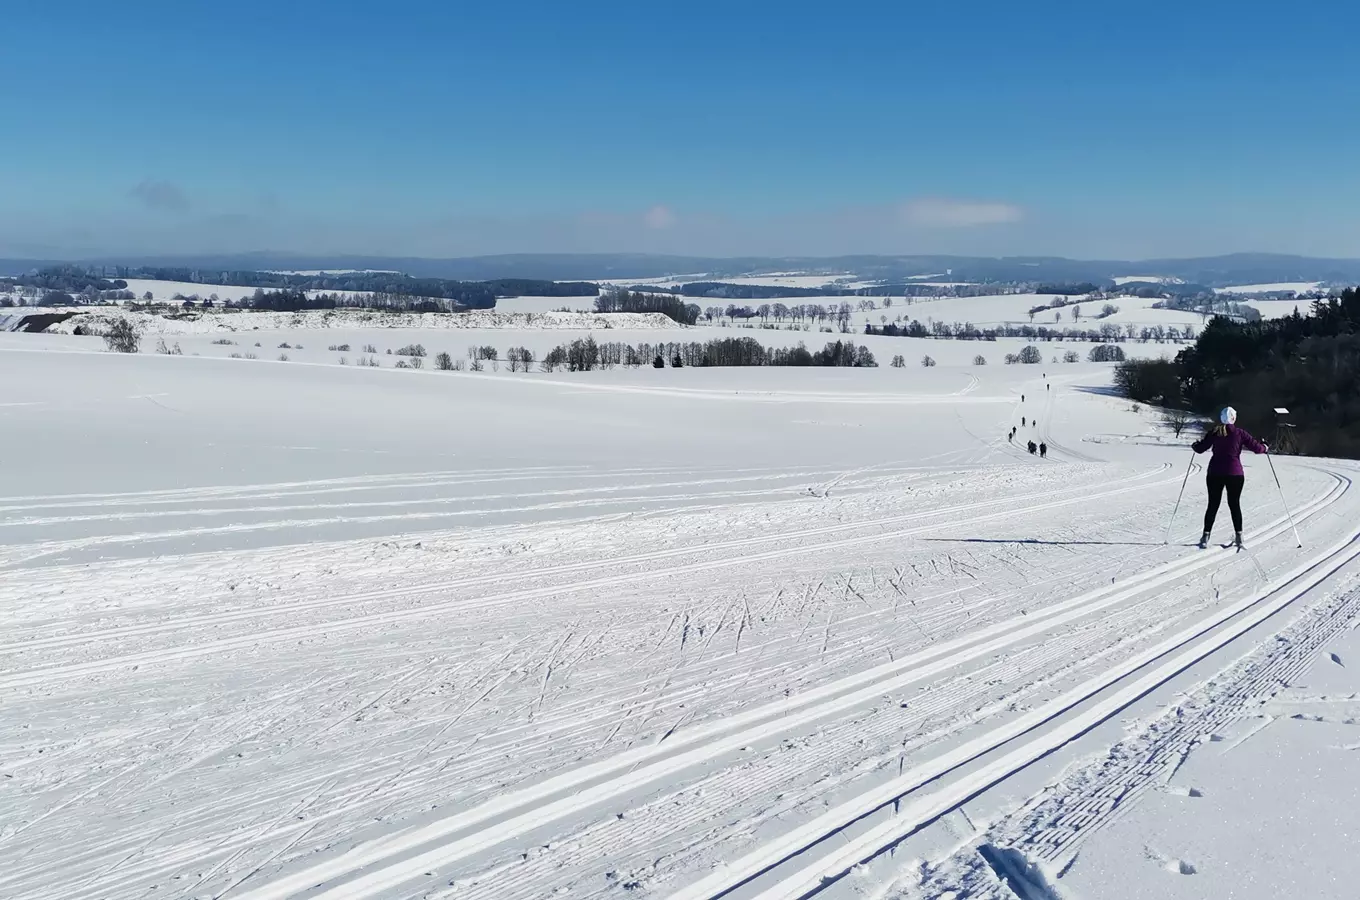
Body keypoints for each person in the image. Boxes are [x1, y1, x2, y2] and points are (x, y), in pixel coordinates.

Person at [1191, 406, 1267, 549]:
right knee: (1234, 504)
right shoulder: (1240, 433)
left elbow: (1200, 448)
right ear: (1234, 418)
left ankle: (1205, 536)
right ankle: (1239, 536)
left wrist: (1195, 445)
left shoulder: (1214, 432)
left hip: (1215, 473)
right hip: (1235, 474)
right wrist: (1265, 447)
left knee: (1213, 504)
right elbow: (1257, 448)